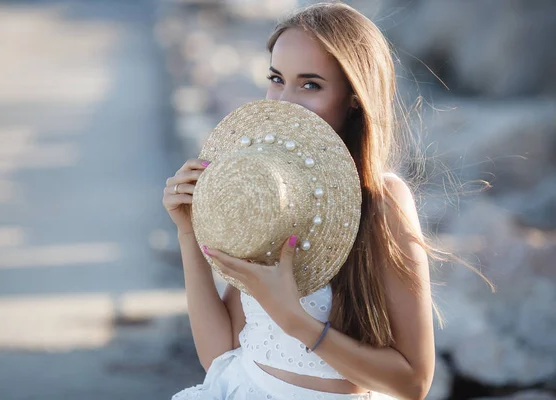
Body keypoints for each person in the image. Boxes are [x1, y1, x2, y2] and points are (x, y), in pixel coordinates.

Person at [163, 3, 440, 399]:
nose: (284, 101)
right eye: (276, 79)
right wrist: (188, 232)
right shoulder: (273, 194)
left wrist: (296, 321)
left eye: (310, 84)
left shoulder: (383, 202)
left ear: (353, 97)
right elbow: (219, 356)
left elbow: (414, 383)